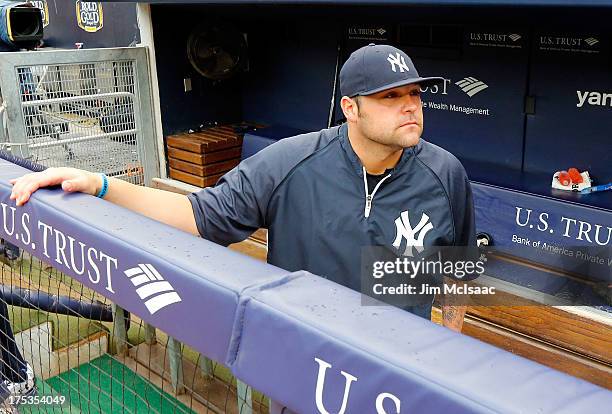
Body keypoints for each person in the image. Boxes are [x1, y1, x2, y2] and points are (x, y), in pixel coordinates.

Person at [9, 44, 474, 331]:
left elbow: (455, 271)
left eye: (414, 93)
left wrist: (447, 343)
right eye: (390, 96)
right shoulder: (293, 161)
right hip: (306, 352)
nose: (410, 106)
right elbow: (198, 215)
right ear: (351, 108)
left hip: (403, 362)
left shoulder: (444, 172)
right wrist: (101, 184)